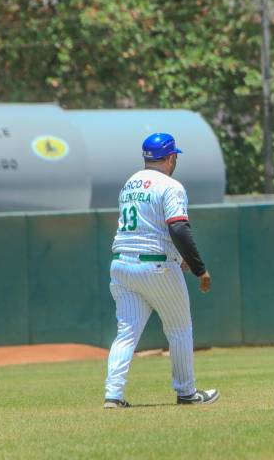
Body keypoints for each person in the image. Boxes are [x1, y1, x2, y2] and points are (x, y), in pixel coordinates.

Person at [103, 133, 219, 408]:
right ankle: (186, 392)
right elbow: (177, 226)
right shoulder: (170, 185)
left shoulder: (130, 183)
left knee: (126, 332)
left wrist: (178, 255)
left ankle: (113, 395)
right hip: (155, 266)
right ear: (170, 157)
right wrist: (200, 268)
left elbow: (149, 226)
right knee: (179, 328)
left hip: (121, 264)